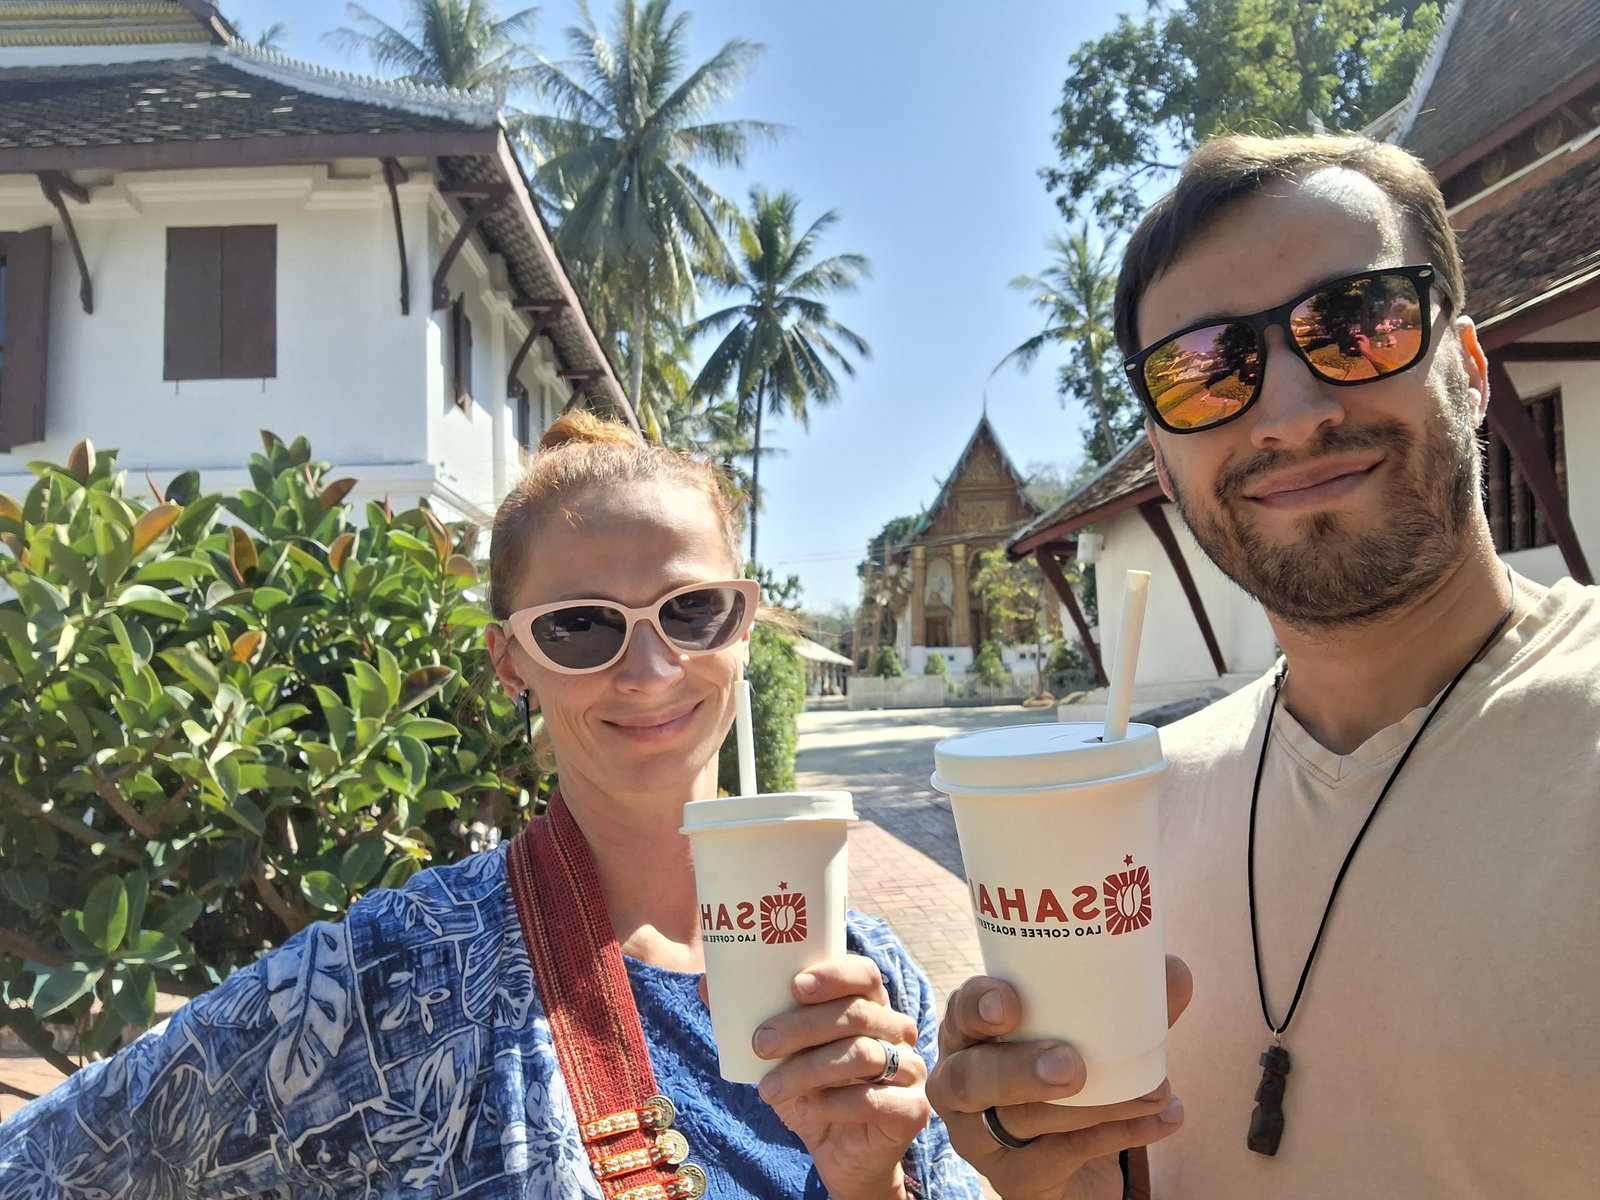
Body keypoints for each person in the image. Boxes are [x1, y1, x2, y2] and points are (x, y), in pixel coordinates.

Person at [0, 413, 984, 1200]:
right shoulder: (397, 974)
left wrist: (870, 1180)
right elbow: (49, 1162)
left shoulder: (871, 972)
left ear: (743, 625)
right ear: (510, 662)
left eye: (691, 611)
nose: (649, 670)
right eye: (581, 626)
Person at [927, 133, 1600, 1198]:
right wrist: (1051, 1174)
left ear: (1468, 371)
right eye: (1204, 373)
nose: (1291, 414)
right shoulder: (1140, 803)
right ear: (1161, 462)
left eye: (1359, 322)